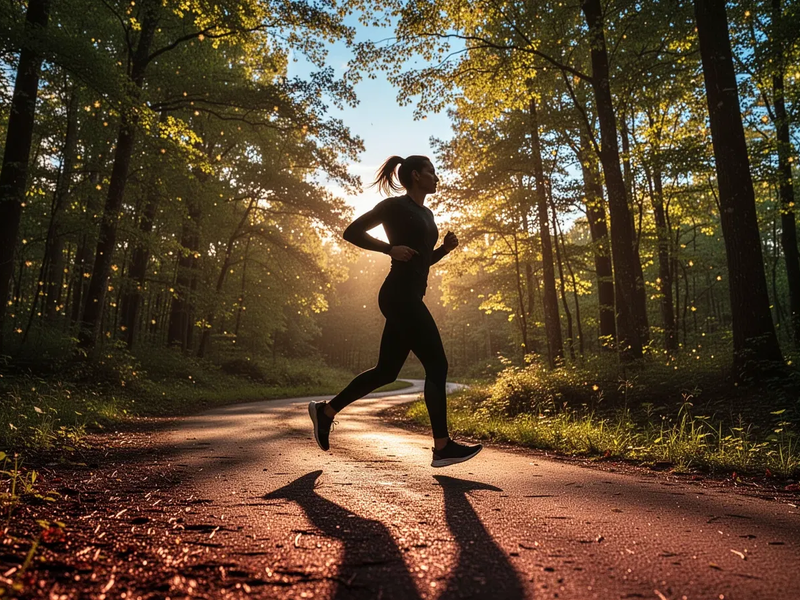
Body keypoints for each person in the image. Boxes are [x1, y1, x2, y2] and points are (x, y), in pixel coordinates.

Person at [309, 155, 482, 467]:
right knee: (438, 365)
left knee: (386, 372)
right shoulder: (393, 207)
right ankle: (442, 446)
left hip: (409, 295)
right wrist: (388, 248)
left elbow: (420, 261)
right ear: (416, 175)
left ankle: (326, 411)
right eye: (431, 171)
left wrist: (443, 250)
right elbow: (352, 232)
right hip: (398, 295)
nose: (436, 176)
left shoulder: (428, 215)